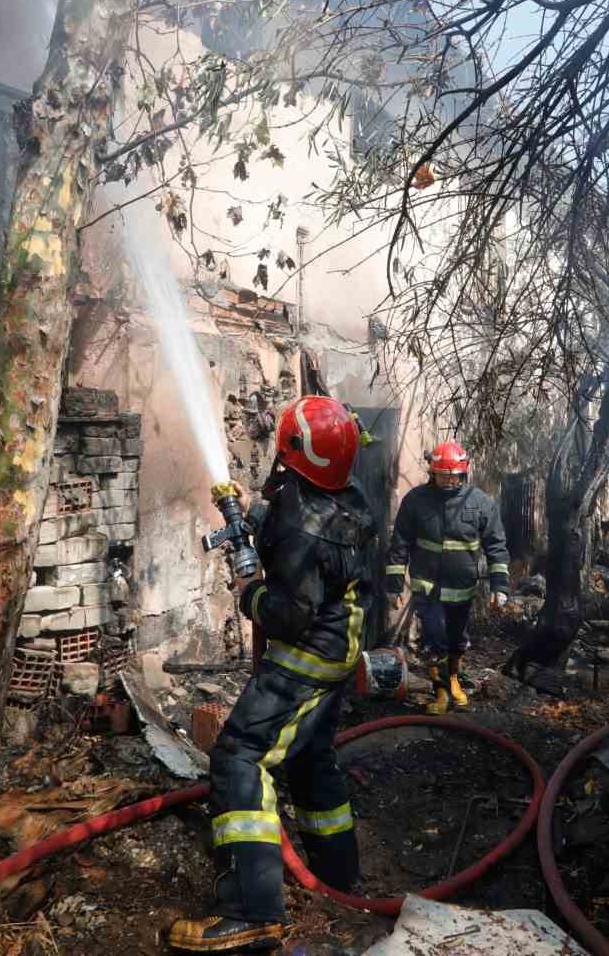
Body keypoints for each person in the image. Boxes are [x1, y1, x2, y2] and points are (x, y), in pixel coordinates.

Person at [169, 396, 375, 953]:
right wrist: (252, 513)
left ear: (291, 451)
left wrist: (250, 593)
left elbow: (288, 612)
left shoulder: (301, 525)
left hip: (303, 657)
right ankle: (339, 874)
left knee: (239, 756)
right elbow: (300, 518)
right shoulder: (345, 497)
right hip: (339, 653)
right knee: (310, 757)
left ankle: (252, 911)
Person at [383, 441, 510, 716]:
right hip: (427, 586)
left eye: (453, 475)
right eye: (442, 475)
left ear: (463, 473)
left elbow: (496, 545)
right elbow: (400, 544)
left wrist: (500, 585)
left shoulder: (480, 503)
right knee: (434, 637)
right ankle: (439, 690)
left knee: (456, 638)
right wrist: (393, 586)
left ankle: (453, 680)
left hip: (462, 588)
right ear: (432, 473)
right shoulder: (416, 501)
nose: (448, 480)